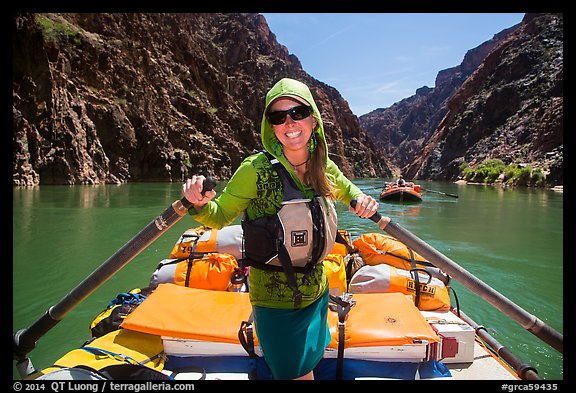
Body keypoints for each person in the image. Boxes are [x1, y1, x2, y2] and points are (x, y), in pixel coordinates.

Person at [182, 77, 379, 380]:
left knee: (309, 364)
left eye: (298, 112)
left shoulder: (323, 166)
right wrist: (197, 201)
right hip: (275, 301)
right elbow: (218, 216)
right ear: (271, 126)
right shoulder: (254, 170)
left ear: (313, 119)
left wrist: (361, 200)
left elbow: (349, 191)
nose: (290, 123)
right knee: (293, 373)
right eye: (278, 117)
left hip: (318, 290)